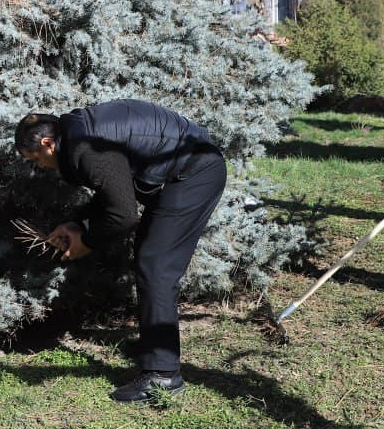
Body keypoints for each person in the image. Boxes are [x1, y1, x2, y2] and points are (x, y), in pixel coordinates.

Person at [15, 99, 227, 403]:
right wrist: (77, 222)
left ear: (48, 143)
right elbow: (114, 189)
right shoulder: (77, 133)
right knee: (150, 257)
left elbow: (123, 215)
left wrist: (85, 244)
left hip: (195, 173)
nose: (40, 167)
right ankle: (155, 349)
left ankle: (163, 375)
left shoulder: (84, 148)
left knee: (156, 265)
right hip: (180, 172)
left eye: (35, 159)